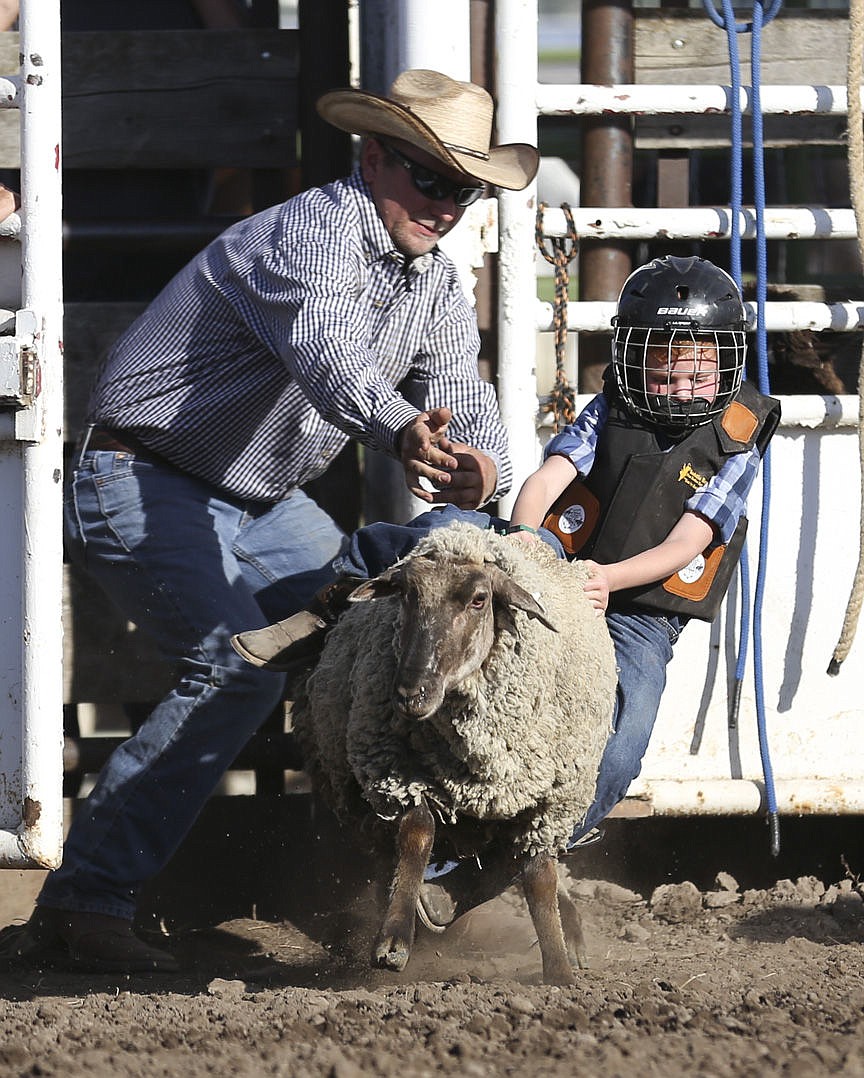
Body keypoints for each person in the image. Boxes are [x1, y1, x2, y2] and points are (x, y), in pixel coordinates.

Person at [0, 69, 538, 973]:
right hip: (141, 474)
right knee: (233, 668)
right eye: (432, 180)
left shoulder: (435, 283)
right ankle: (87, 899)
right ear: (374, 159)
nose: (448, 207)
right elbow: (327, 355)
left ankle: (388, 889)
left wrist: (482, 468)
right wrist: (404, 431)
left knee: (367, 639)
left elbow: (463, 392)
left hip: (255, 496)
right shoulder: (308, 233)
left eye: (465, 189)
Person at [236, 254, 780, 930]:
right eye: (664, 358)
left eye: (699, 361)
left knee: (622, 734)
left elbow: (688, 543)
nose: (681, 377)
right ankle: (331, 607)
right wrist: (523, 536)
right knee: (443, 528)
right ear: (634, 354)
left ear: (725, 360)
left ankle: (477, 881)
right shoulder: (612, 404)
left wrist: (608, 581)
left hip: (637, 605)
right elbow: (553, 473)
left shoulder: (737, 441)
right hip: (556, 558)